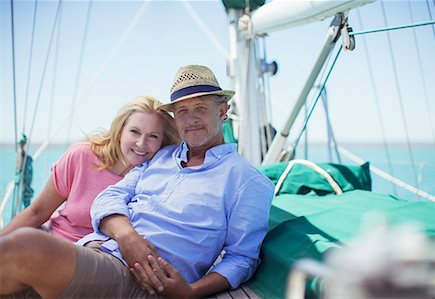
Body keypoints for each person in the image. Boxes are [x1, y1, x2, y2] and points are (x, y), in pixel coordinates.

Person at [0, 65, 274, 298]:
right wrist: (127, 236)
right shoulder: (160, 157)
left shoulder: (248, 180)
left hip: (143, 280)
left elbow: (242, 258)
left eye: (200, 108)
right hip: (98, 249)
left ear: (223, 111)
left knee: (26, 246)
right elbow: (106, 199)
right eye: (182, 111)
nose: (190, 120)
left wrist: (191, 292)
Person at [0, 96, 180, 242]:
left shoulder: (156, 178)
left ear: (162, 142)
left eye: (153, 136)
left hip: (100, 261)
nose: (141, 143)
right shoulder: (82, 156)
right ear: (120, 131)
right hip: (53, 241)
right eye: (135, 132)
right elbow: (36, 212)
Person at [16, 134, 34, 209]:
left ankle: (26, 210)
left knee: (26, 194)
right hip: (24, 178)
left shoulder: (24, 156)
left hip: (26, 179)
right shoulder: (20, 154)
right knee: (25, 194)